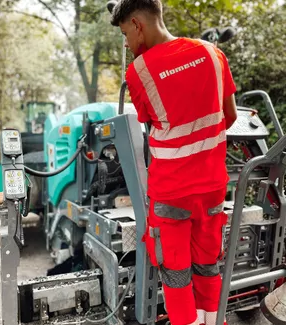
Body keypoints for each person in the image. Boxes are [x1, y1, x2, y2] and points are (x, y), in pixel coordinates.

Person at [110, 1, 238, 324]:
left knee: (176, 273)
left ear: (137, 24)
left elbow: (149, 124)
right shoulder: (212, 53)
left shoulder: (139, 71)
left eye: (125, 34)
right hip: (212, 189)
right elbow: (230, 116)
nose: (126, 43)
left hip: (171, 195)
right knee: (208, 266)